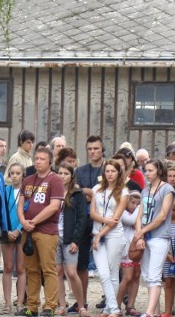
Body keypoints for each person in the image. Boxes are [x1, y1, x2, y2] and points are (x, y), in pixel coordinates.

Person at [17, 147, 63, 317]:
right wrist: (22, 221)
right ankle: (32, 306)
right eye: (36, 158)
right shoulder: (28, 180)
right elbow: (21, 204)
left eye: (42, 159)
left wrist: (34, 222)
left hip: (46, 231)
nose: (38, 162)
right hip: (27, 232)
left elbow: (54, 207)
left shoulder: (55, 180)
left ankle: (50, 306)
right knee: (31, 269)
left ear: (49, 161)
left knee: (48, 269)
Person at [135, 160, 175, 317]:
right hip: (145, 236)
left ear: (158, 171)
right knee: (146, 276)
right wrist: (139, 235)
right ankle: (155, 312)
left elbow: (162, 215)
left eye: (150, 170)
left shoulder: (167, 189)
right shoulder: (145, 190)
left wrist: (142, 231)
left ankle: (149, 311)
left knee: (154, 275)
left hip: (159, 236)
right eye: (145, 170)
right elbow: (139, 215)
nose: (146, 173)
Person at [90, 159, 129, 317]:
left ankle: (109, 308)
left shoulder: (124, 192)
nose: (110, 174)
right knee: (103, 273)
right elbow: (93, 213)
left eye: (113, 171)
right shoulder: (97, 189)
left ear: (118, 172)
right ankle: (114, 308)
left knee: (113, 273)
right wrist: (104, 222)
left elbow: (117, 218)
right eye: (107, 171)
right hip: (98, 232)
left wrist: (100, 233)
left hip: (113, 235)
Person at [73, 135, 106, 312]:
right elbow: (78, 194)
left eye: (96, 148)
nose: (93, 152)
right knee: (81, 264)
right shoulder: (80, 170)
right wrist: (93, 194)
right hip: (84, 220)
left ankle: (111, 300)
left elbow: (108, 195)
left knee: (107, 264)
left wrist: (89, 193)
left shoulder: (108, 169)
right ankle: (82, 301)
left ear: (102, 149)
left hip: (104, 221)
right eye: (90, 149)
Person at [56, 163, 89, 317]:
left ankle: (81, 306)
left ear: (71, 176)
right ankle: (61, 305)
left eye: (65, 174)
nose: (62, 176)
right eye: (60, 173)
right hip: (54, 237)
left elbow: (82, 219)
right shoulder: (53, 191)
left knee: (71, 272)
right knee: (57, 272)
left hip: (70, 239)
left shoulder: (77, 194)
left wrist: (76, 240)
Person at [1, 163, 26, 314]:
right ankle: (7, 302)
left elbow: (29, 211)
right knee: (8, 267)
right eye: (12, 173)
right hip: (7, 231)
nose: (15, 176)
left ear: (23, 174)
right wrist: (7, 230)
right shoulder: (5, 191)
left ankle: (21, 302)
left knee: (22, 268)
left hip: (22, 231)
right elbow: (1, 213)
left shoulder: (27, 191)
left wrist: (18, 230)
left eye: (18, 173)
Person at [117, 192, 142, 317]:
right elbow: (131, 220)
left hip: (137, 249)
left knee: (136, 276)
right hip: (126, 249)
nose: (135, 206)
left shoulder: (137, 213)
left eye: (137, 204)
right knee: (127, 278)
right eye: (132, 203)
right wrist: (141, 207)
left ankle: (130, 306)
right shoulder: (122, 212)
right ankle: (116, 305)